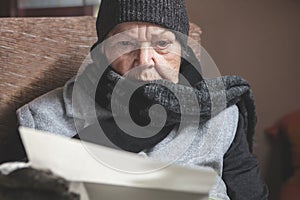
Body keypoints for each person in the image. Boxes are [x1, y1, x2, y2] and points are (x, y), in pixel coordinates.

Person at [2, 0, 268, 199]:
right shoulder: (39, 120)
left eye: (162, 44)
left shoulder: (222, 116)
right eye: (125, 44)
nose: (144, 61)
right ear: (102, 52)